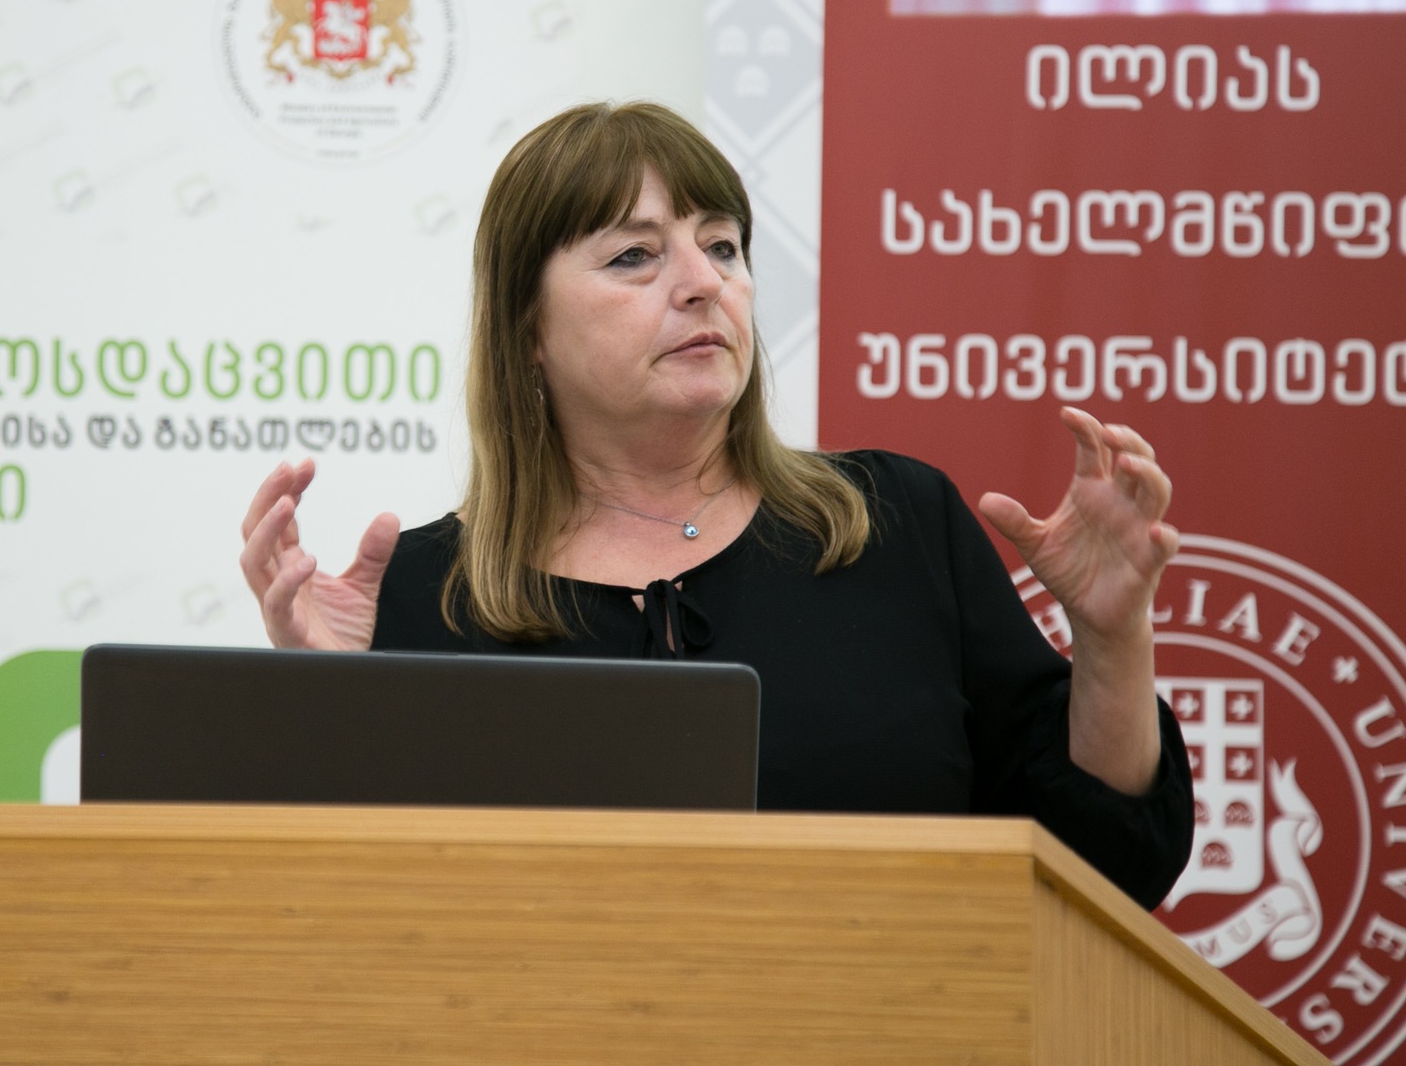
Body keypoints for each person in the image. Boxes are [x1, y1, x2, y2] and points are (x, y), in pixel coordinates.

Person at [238, 101, 1192, 908]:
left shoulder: (896, 524)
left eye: (723, 246)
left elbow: (1107, 872)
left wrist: (1113, 639)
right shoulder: (423, 596)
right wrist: (329, 709)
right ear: (528, 329)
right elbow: (364, 923)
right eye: (634, 256)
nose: (704, 285)